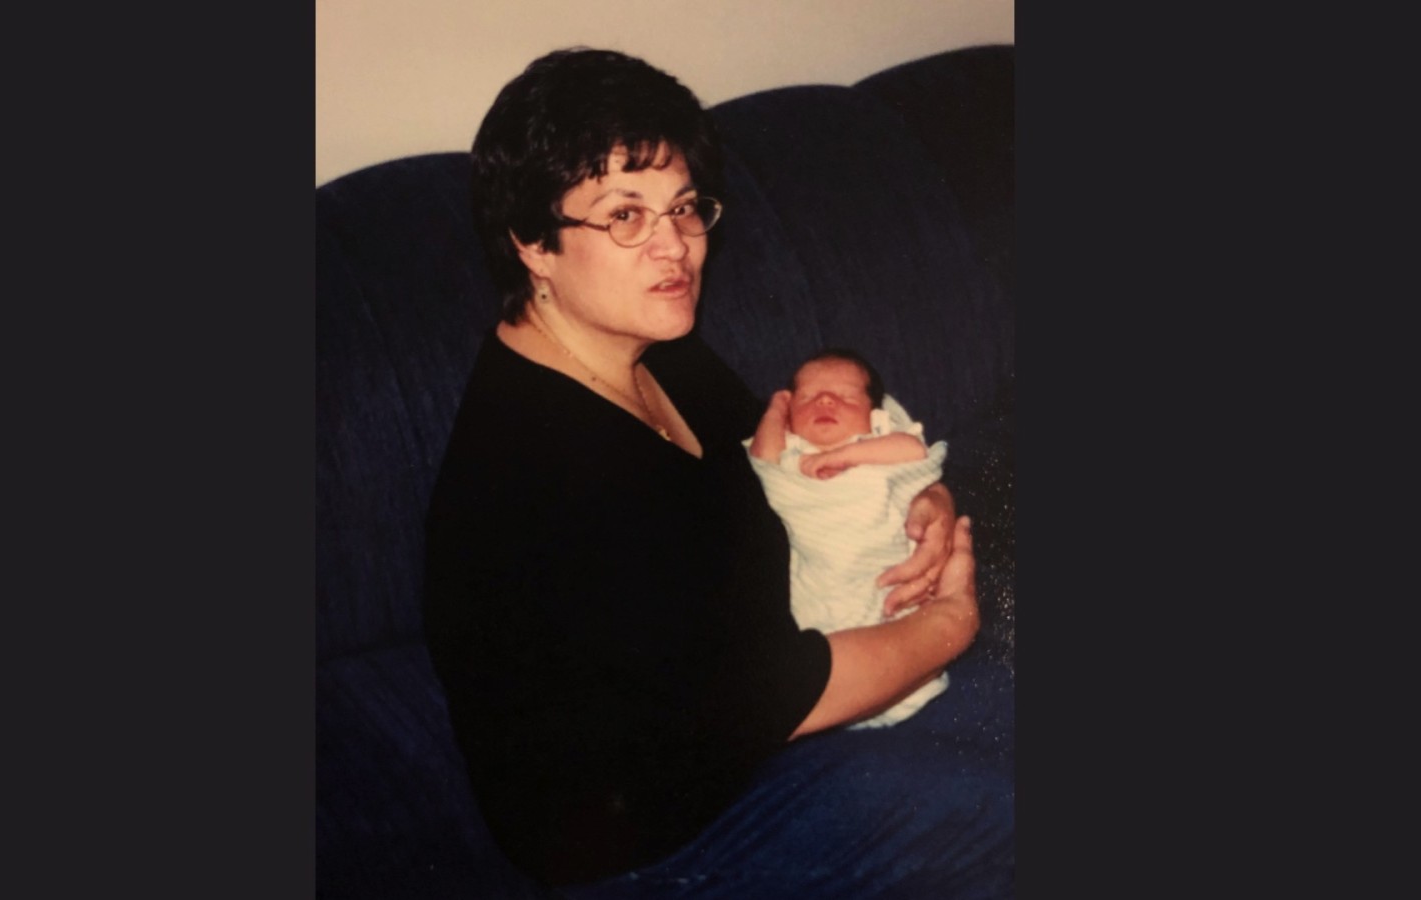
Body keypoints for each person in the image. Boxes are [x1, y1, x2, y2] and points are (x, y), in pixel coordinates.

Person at [423, 47, 1012, 898]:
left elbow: (792, 463)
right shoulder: (537, 470)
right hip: (661, 836)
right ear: (533, 243)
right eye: (626, 216)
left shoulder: (652, 346)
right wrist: (952, 624)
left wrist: (926, 494)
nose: (676, 247)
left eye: (683, 207)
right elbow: (761, 696)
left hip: (773, 714)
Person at [746, 348, 953, 728]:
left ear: (875, 415)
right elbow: (762, 461)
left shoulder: (879, 441)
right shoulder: (790, 452)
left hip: (878, 564)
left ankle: (888, 673)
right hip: (816, 570)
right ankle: (843, 683)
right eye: (808, 397)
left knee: (891, 609)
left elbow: (914, 451)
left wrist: (846, 456)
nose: (826, 401)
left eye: (844, 396)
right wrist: (776, 408)